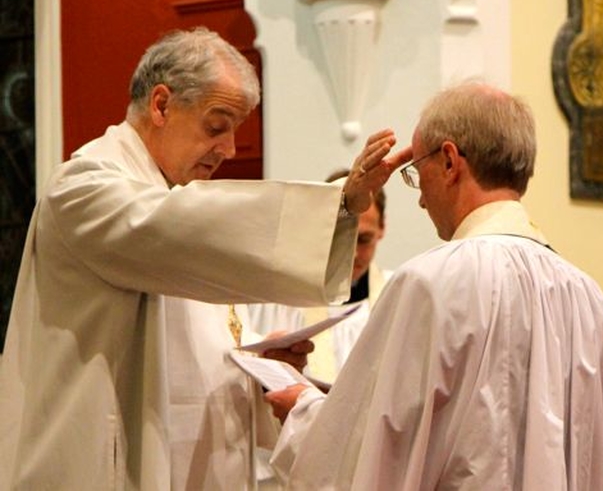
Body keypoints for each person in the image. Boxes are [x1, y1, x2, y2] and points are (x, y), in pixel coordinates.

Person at [0, 27, 412, 491]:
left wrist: (258, 363)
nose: (230, 149)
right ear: (161, 105)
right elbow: (169, 229)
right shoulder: (85, 189)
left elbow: (189, 353)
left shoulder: (169, 203)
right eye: (216, 127)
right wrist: (335, 206)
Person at [266, 81, 603, 490]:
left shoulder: (429, 284)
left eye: (416, 171)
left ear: (449, 162)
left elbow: (369, 448)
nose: (422, 199)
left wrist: (301, 408)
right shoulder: (586, 294)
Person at [248, 167, 392, 386]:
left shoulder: (396, 296)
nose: (352, 253)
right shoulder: (282, 299)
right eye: (342, 238)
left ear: (382, 228)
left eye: (363, 240)